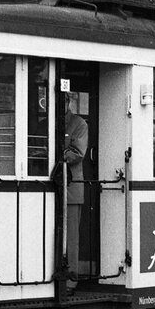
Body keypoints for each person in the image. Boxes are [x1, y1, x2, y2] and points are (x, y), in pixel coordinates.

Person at [62, 95, 88, 276]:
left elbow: (77, 153)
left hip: (71, 187)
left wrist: (54, 154)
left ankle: (71, 278)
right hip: (53, 186)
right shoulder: (46, 121)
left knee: (71, 237)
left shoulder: (79, 124)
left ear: (67, 102)